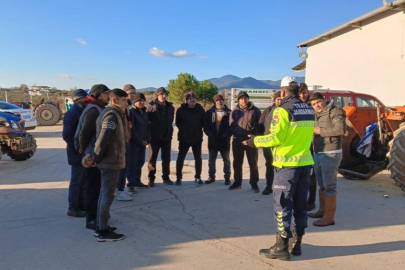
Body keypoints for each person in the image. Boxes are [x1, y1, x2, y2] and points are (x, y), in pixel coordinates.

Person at [245, 76, 315, 260]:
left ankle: (281, 246)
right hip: (305, 164)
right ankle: (297, 243)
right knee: (300, 205)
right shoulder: (308, 108)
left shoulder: (282, 110)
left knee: (282, 205)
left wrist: (254, 141)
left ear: (282, 92)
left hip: (286, 166)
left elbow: (275, 138)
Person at [91, 88, 128, 242]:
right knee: (107, 195)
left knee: (104, 194)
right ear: (115, 101)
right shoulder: (112, 117)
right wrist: (97, 158)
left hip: (110, 161)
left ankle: (102, 225)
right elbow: (103, 138)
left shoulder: (115, 114)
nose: (127, 103)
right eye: (124, 100)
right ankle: (102, 231)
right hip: (110, 162)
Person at [74, 84, 111, 230]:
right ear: (98, 94)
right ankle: (91, 219)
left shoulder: (98, 108)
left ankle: (98, 215)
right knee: (93, 188)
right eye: (106, 94)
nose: (108, 96)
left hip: (97, 154)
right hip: (92, 156)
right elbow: (84, 134)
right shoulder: (93, 111)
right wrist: (86, 154)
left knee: (99, 187)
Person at [309, 92, 346, 227]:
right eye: (313, 104)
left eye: (318, 102)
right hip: (318, 152)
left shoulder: (335, 111)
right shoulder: (317, 115)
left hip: (331, 153)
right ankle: (322, 211)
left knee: (330, 186)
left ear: (324, 100)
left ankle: (329, 218)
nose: (317, 105)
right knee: (322, 185)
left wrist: (320, 131)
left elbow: (340, 129)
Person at [229, 91, 261, 192]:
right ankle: (237, 182)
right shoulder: (234, 111)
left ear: (248, 99)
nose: (244, 100)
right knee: (237, 163)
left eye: (245, 98)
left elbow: (260, 125)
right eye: (241, 98)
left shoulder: (255, 111)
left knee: (253, 163)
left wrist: (254, 135)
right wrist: (237, 134)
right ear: (238, 100)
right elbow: (231, 125)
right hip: (237, 140)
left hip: (250, 140)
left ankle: (254, 184)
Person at [63, 89, 88, 217]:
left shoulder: (83, 111)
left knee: (83, 180)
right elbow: (67, 135)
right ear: (79, 99)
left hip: (83, 152)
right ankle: (73, 207)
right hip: (76, 153)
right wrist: (79, 148)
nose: (87, 100)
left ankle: (82, 205)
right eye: (85, 98)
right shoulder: (72, 114)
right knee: (76, 181)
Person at [146, 87, 175, 187]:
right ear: (157, 95)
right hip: (154, 137)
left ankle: (166, 177)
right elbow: (146, 120)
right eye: (161, 94)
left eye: (165, 94)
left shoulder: (171, 107)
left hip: (166, 137)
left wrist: (169, 132)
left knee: (166, 159)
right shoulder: (151, 106)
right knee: (152, 159)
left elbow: (171, 122)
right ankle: (151, 178)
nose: (163, 96)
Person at [175, 91, 205, 185]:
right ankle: (179, 178)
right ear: (186, 100)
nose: (192, 100)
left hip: (197, 138)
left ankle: (198, 177)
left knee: (198, 158)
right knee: (180, 158)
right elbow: (177, 123)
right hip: (184, 138)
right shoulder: (181, 110)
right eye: (190, 98)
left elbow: (203, 123)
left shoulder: (200, 109)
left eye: (194, 98)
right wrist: (185, 132)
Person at [116, 84, 138, 202]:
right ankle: (118, 190)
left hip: (128, 140)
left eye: (134, 93)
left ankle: (121, 188)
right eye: (131, 93)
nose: (133, 95)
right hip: (122, 141)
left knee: (126, 166)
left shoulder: (129, 106)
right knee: (121, 167)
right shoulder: (120, 108)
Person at [257, 91, 282, 195]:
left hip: (281, 145)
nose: (280, 101)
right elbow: (260, 125)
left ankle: (280, 187)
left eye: (281, 99)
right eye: (278, 99)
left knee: (281, 167)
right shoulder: (268, 110)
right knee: (269, 165)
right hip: (268, 143)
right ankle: (268, 186)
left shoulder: (286, 111)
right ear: (274, 100)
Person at [203, 94, 232, 185]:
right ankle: (211, 177)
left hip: (224, 141)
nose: (219, 101)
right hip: (213, 141)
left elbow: (231, 127)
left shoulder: (229, 113)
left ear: (223, 101)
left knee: (226, 160)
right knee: (211, 160)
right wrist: (210, 134)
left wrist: (226, 135)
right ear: (214, 102)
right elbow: (206, 126)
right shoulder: (209, 113)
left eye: (221, 100)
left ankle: (227, 177)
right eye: (217, 100)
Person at [126, 93, 151, 189]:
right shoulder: (131, 112)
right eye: (139, 101)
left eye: (143, 100)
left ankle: (137, 181)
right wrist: (140, 141)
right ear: (135, 102)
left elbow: (148, 126)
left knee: (140, 162)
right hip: (134, 143)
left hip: (143, 143)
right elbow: (132, 129)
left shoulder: (144, 112)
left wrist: (148, 139)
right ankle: (131, 184)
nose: (142, 102)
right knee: (132, 164)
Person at [299, 83, 317, 211]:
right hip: (299, 147)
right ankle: (301, 200)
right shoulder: (295, 107)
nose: (302, 95)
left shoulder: (313, 108)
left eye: (304, 92)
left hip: (312, 146)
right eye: (300, 92)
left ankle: (311, 201)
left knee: (312, 176)